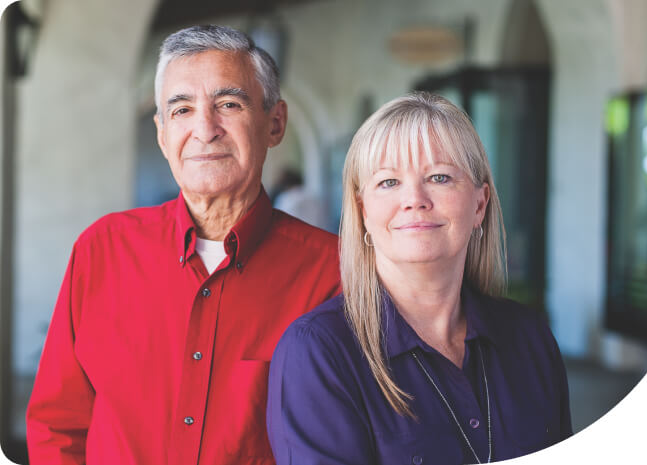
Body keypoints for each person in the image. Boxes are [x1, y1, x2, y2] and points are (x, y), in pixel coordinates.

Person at [26, 25, 340, 465]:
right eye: (181, 110)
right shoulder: (102, 250)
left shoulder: (333, 272)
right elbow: (56, 427)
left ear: (275, 123)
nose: (204, 129)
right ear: (161, 133)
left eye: (228, 104)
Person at [267, 92, 571, 464]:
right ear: (363, 212)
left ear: (479, 204)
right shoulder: (319, 352)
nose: (414, 199)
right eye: (389, 182)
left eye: (440, 177)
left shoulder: (530, 338)